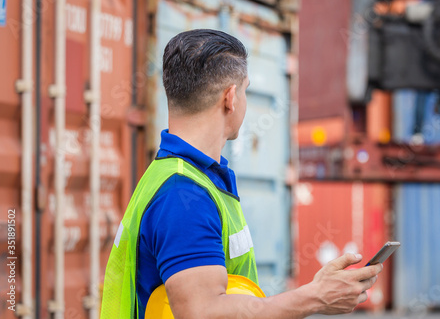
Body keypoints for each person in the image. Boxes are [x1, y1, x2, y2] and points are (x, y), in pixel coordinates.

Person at [100, 29, 382, 319]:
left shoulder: (179, 176)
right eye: (245, 89)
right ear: (230, 98)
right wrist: (315, 298)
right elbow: (205, 312)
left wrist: (316, 291)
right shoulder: (184, 195)